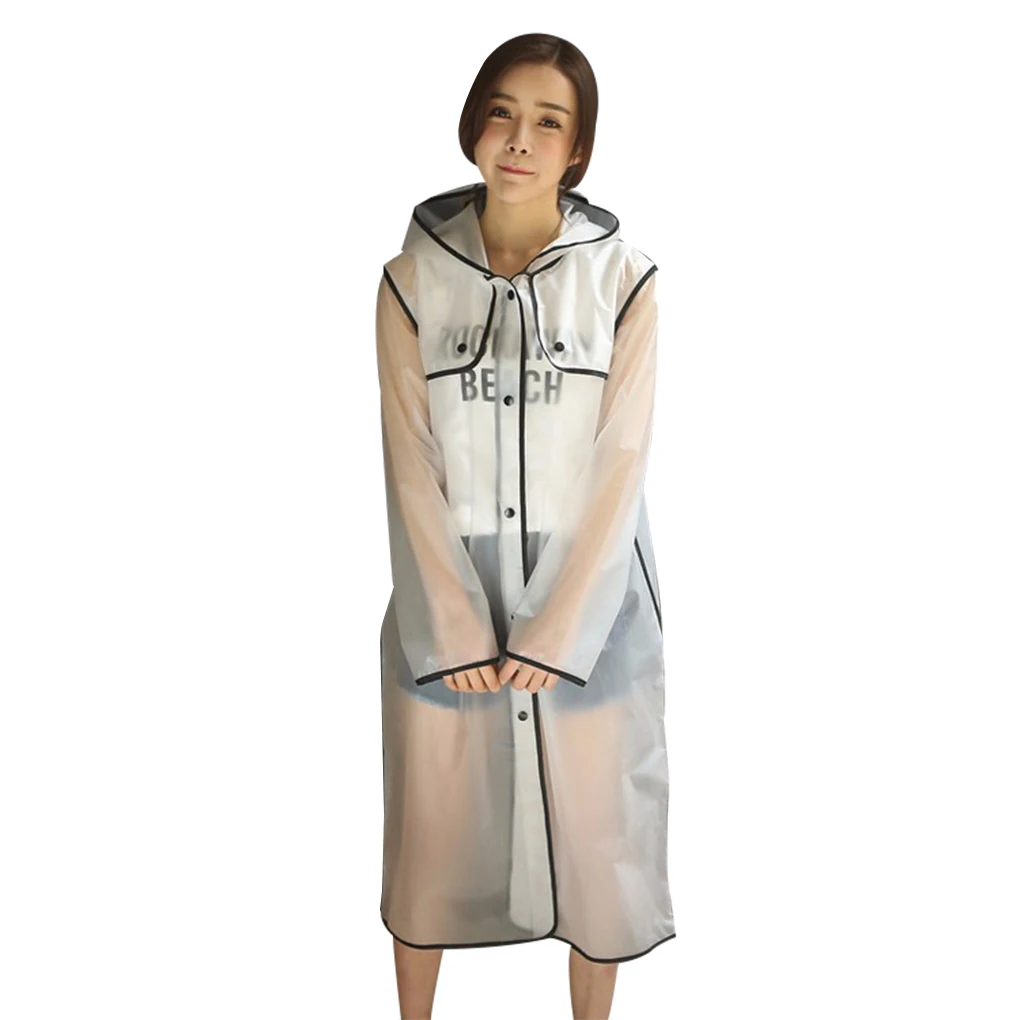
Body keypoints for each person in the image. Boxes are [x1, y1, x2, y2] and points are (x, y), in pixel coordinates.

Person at [375, 33, 675, 1020]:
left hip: (591, 604)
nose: (519, 138)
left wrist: (560, 629)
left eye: (550, 122)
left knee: (599, 837)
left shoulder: (624, 280)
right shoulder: (410, 281)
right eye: (502, 112)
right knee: (433, 829)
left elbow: (621, 462)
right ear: (473, 124)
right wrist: (453, 626)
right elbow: (409, 462)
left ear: (577, 149)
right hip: (447, 590)